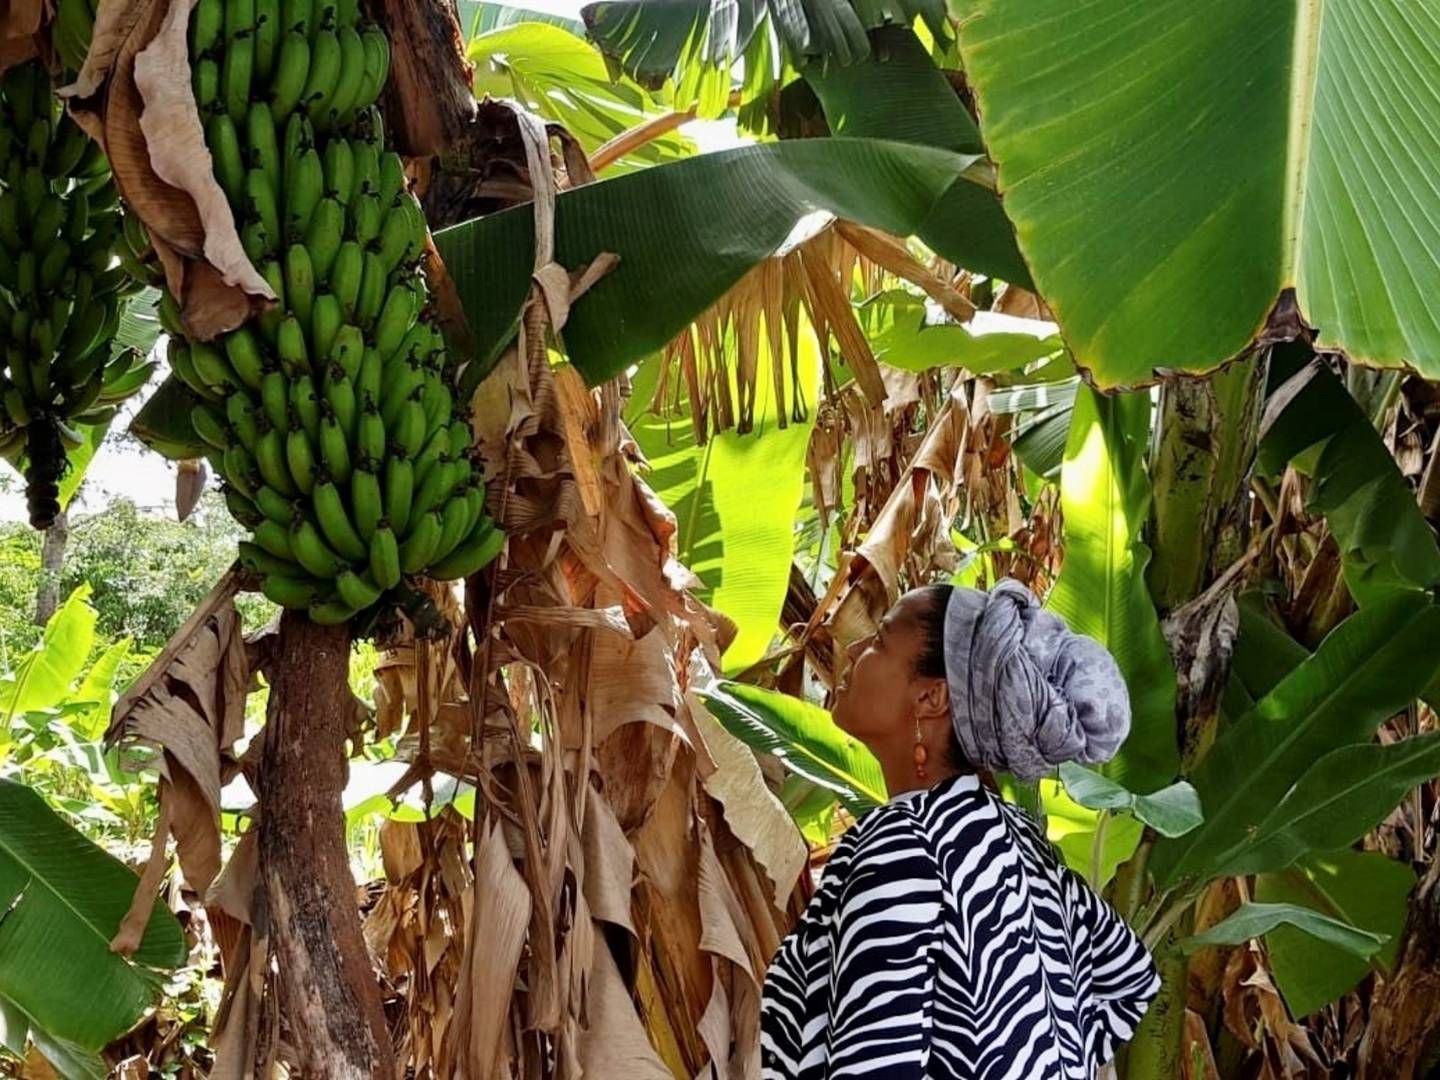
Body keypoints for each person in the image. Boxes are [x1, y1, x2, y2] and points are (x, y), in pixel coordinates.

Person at [760, 580, 1160, 1079]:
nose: (857, 648)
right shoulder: (1016, 838)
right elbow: (1128, 979)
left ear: (931, 697)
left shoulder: (903, 846)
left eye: (881, 641)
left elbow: (876, 1066)